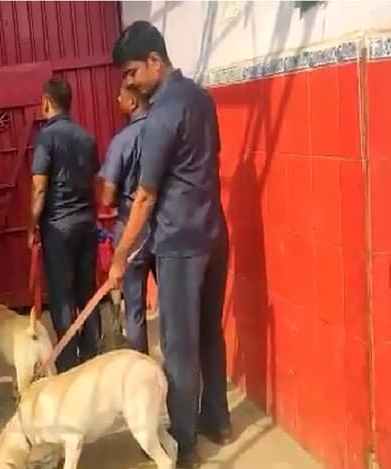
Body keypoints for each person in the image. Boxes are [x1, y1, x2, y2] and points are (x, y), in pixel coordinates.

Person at [109, 20, 231, 468]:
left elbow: (144, 197)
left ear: (155, 61)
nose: (129, 82)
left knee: (179, 346)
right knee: (210, 333)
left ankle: (184, 443)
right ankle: (217, 418)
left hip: (180, 242)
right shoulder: (202, 97)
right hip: (213, 233)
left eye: (132, 72)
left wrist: (119, 257)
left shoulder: (161, 114)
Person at [27, 77, 100, 373]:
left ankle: (69, 363)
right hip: (86, 223)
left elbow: (39, 187)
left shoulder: (46, 138)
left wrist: (32, 224)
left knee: (62, 296)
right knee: (87, 291)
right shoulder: (87, 137)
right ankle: (93, 355)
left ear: (46, 102)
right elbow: (95, 181)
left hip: (58, 227)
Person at [99, 83, 156, 354]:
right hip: (165, 223)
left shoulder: (122, 141)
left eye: (121, 96)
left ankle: (139, 364)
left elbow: (108, 196)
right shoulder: (164, 133)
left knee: (134, 307)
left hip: (132, 229)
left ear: (132, 103)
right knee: (173, 304)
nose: (116, 98)